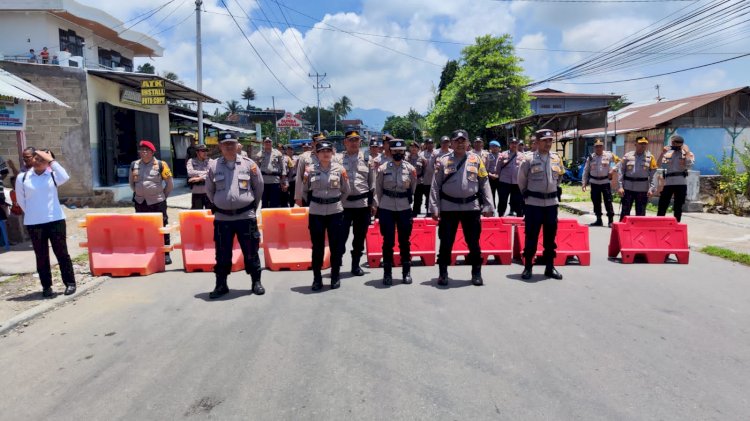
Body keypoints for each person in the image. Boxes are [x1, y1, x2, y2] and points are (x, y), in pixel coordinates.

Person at [430, 129, 494, 286]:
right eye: (457, 141)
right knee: (446, 242)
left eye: (463, 140)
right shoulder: (443, 161)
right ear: (451, 143)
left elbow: (484, 183)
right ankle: (443, 273)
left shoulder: (476, 159)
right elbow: (435, 185)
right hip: (449, 208)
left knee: (473, 242)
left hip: (471, 208)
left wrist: (488, 205)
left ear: (468, 143)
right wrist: (434, 207)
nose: (460, 143)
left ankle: (476, 273)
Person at [205, 132, 265, 298]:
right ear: (220, 146)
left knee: (251, 251)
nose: (229, 146)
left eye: (232, 143)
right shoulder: (213, 166)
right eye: (225, 144)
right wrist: (220, 203)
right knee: (222, 253)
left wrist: (251, 206)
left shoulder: (249, 164)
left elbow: (258, 187)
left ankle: (256, 282)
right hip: (222, 218)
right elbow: (209, 190)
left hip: (246, 216)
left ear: (238, 145)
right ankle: (221, 285)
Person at [15, 150, 76, 297]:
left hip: (55, 220)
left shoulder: (53, 175)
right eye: (36, 158)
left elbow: (65, 176)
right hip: (34, 222)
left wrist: (52, 161)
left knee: (62, 253)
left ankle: (70, 283)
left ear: (48, 162)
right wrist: (34, 213)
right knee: (41, 255)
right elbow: (21, 201)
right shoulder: (23, 177)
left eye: (42, 159)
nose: (37, 161)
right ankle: (46, 286)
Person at [297, 140, 350, 291]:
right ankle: (317, 279)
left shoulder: (340, 169)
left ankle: (335, 276)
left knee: (336, 247)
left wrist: (337, 202)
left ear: (332, 153)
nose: (325, 154)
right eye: (322, 151)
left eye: (328, 151)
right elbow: (304, 191)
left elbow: (346, 190)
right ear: (317, 154)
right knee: (317, 247)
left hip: (335, 212)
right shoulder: (309, 170)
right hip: (316, 213)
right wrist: (314, 204)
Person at [518, 129, 565, 281]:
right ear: (537, 142)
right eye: (545, 141)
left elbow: (559, 177)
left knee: (550, 238)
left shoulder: (556, 158)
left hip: (551, 204)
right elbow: (521, 180)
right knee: (531, 236)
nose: (548, 143)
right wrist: (528, 195)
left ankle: (550, 267)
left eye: (550, 140)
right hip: (534, 204)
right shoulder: (528, 159)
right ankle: (528, 268)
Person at [373, 139, 417, 285]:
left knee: (405, 241)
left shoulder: (410, 169)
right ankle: (387, 273)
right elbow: (378, 189)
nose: (398, 153)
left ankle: (406, 272)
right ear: (390, 152)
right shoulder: (383, 168)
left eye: (400, 151)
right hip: (387, 207)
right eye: (395, 151)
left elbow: (413, 188)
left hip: (404, 208)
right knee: (388, 241)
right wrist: (381, 205)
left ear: (404, 152)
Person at [129, 140, 174, 265]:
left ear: (152, 152)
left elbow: (169, 184)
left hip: (157, 202)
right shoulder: (134, 164)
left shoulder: (161, 164)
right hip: (140, 201)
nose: (143, 152)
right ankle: (146, 252)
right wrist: (139, 193)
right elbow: (132, 183)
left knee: (162, 227)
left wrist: (162, 196)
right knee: (142, 227)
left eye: (146, 150)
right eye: (141, 150)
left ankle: (166, 254)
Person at [340, 130, 374, 276]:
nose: (354, 143)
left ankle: (355, 265)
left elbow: (373, 184)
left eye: (356, 140)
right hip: (343, 205)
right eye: (350, 140)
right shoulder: (337, 159)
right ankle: (337, 263)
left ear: (360, 142)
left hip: (362, 204)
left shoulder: (368, 159)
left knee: (359, 237)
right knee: (340, 237)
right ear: (345, 142)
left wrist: (374, 204)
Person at [617, 136, 657, 220]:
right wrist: (620, 186)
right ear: (635, 144)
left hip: (642, 190)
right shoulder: (627, 156)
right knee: (625, 211)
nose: (643, 145)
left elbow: (653, 175)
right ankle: (622, 231)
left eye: (645, 144)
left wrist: (651, 188)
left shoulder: (650, 158)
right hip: (628, 188)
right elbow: (621, 171)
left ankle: (640, 231)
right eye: (641, 143)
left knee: (641, 213)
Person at [657, 134, 695, 222]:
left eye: (677, 144)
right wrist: (662, 153)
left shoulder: (688, 153)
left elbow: (689, 166)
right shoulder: (668, 153)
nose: (674, 146)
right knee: (662, 204)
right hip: (669, 183)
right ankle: (658, 223)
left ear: (682, 144)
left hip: (681, 183)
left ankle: (676, 224)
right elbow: (658, 165)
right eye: (673, 144)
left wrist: (687, 153)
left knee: (678, 207)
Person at [582, 138, 619, 227]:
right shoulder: (591, 158)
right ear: (594, 147)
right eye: (596, 146)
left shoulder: (609, 155)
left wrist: (613, 170)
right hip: (594, 183)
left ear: (603, 146)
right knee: (596, 202)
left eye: (600, 146)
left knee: (608, 201)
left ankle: (610, 221)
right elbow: (586, 170)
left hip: (605, 182)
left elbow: (620, 162)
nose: (598, 148)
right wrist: (584, 182)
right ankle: (599, 220)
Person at [294, 133, 326, 206]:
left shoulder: (329, 155)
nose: (322, 144)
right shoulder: (304, 157)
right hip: (310, 194)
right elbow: (299, 178)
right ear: (313, 143)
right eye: (319, 141)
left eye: (323, 142)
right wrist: (298, 198)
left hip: (327, 193)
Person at [256, 137, 287, 209]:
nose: (268, 143)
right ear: (263, 143)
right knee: (264, 202)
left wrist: (283, 182)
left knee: (275, 202)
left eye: (269, 142)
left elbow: (283, 168)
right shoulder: (259, 154)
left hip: (275, 181)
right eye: (266, 142)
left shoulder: (278, 153)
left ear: (272, 143)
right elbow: (256, 170)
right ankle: (265, 219)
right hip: (263, 181)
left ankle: (274, 219)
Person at [495, 138, 523, 217]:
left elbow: (524, 169)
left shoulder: (522, 155)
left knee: (517, 201)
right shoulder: (503, 155)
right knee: (502, 201)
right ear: (509, 144)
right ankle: (500, 216)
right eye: (512, 143)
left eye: (515, 143)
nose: (514, 145)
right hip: (504, 182)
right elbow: (498, 168)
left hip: (517, 183)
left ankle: (519, 218)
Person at [414, 138, 436, 216]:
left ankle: (430, 214)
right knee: (422, 198)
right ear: (426, 145)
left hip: (434, 180)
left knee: (431, 199)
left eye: (431, 143)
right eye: (428, 143)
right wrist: (422, 160)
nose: (430, 144)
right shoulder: (422, 154)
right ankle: (420, 214)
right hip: (425, 180)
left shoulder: (436, 153)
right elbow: (419, 162)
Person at [186, 144, 212, 210]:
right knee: (197, 214)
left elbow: (212, 174)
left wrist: (200, 178)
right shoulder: (191, 161)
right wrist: (206, 174)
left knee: (210, 214)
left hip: (209, 193)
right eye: (203, 151)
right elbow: (190, 173)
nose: (205, 152)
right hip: (196, 192)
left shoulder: (211, 161)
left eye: (206, 150)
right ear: (197, 152)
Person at [407, 141, 425, 216]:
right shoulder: (406, 157)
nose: (413, 149)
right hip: (408, 181)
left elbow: (425, 168)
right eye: (412, 147)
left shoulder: (422, 158)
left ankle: (416, 212)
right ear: (409, 148)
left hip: (418, 181)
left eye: (415, 147)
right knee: (407, 198)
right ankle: (407, 211)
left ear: (418, 149)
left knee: (418, 198)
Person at [486, 140, 502, 209]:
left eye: (496, 147)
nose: (494, 148)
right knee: (491, 194)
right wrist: (490, 175)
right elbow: (484, 168)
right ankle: (492, 208)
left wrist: (498, 175)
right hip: (490, 177)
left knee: (501, 195)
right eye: (492, 146)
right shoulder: (487, 156)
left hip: (500, 178)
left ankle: (500, 210)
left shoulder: (502, 156)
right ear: (490, 147)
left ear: (499, 148)